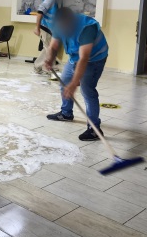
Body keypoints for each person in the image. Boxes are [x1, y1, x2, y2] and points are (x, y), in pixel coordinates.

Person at [44, 8, 109, 141]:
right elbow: (53, 46)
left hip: (94, 59)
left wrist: (74, 84)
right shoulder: (60, 24)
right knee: (64, 82)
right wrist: (50, 59)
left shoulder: (86, 28)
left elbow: (84, 58)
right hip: (74, 57)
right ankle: (66, 113)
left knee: (87, 90)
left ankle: (94, 129)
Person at [33, 0, 59, 74]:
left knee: (47, 48)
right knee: (49, 48)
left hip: (51, 28)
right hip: (46, 27)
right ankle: (51, 69)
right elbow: (40, 11)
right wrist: (37, 28)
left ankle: (38, 66)